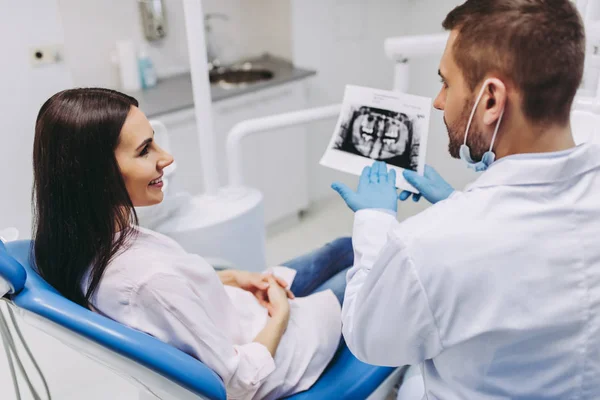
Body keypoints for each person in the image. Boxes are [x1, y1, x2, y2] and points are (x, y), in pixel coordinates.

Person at [332, 0, 600, 399]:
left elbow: (368, 339)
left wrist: (375, 219)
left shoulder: (428, 246)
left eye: (446, 83)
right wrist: (455, 203)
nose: (439, 101)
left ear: (491, 100)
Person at [31, 88, 353, 400]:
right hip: (272, 354)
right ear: (97, 174)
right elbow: (237, 383)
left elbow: (167, 302)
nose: (166, 158)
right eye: (145, 150)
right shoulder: (147, 282)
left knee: (344, 247)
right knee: (369, 274)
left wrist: (231, 278)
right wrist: (281, 314)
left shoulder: (81, 244)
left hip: (236, 308)